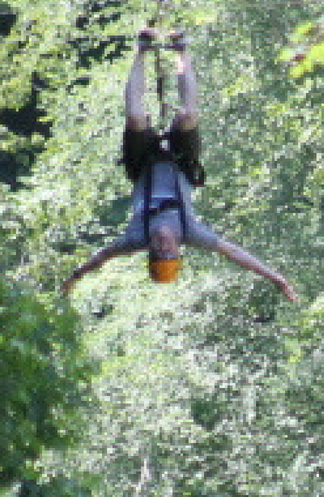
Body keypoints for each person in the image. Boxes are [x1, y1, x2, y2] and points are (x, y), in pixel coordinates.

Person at [61, 27, 298, 300]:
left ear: (149, 252)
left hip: (143, 163)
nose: (163, 247)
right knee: (188, 115)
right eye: (168, 253)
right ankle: (181, 51)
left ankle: (143, 50)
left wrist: (74, 279)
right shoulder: (193, 233)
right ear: (179, 250)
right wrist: (276, 278)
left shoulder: (135, 238)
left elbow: (101, 257)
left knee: (137, 118)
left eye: (158, 253)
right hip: (181, 161)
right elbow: (234, 253)